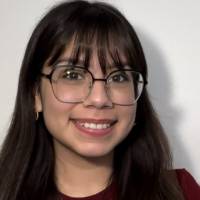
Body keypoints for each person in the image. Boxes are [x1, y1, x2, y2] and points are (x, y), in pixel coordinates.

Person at [0, 1, 199, 200]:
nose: (99, 98)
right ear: (35, 94)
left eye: (119, 77)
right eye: (72, 75)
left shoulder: (181, 191)